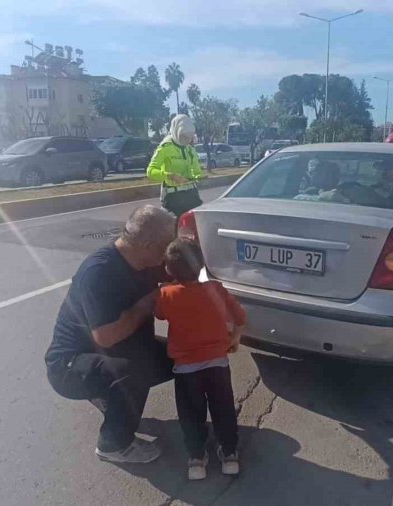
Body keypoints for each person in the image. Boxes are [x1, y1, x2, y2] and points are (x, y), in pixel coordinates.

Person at [45, 205, 177, 464]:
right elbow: (105, 337)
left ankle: (111, 398)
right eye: (167, 245)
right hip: (71, 365)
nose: (169, 252)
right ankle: (113, 444)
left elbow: (182, 272)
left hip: (111, 351)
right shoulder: (99, 273)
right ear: (149, 245)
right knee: (135, 370)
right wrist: (146, 304)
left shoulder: (146, 261)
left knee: (182, 354)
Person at [154, 238, 246, 481]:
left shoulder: (166, 294)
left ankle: (196, 458)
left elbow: (159, 314)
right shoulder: (216, 289)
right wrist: (234, 339)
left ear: (168, 268)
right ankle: (229, 455)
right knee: (224, 409)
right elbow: (240, 317)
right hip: (218, 363)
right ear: (202, 266)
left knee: (191, 413)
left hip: (185, 369)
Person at [147, 114, 204, 217]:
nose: (187, 140)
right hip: (173, 197)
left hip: (191, 195)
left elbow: (196, 171)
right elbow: (150, 172)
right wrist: (171, 176)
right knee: (173, 228)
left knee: (200, 223)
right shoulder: (164, 148)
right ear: (176, 131)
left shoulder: (190, 149)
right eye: (184, 136)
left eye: (190, 137)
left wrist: (198, 176)